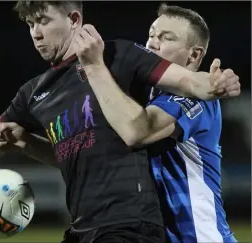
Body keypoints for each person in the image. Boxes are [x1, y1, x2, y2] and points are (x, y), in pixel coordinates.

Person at [0, 1, 240, 243]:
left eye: (43, 21)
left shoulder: (118, 64)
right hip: (96, 228)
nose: (35, 33)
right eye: (30, 24)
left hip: (180, 234)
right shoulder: (37, 93)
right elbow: (76, 149)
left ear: (74, 19)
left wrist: (215, 83)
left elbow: (142, 127)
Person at [79, 3, 238, 242]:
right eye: (151, 35)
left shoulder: (193, 98)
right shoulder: (142, 99)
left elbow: (138, 131)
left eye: (166, 38)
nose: (152, 43)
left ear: (194, 55)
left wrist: (95, 67)